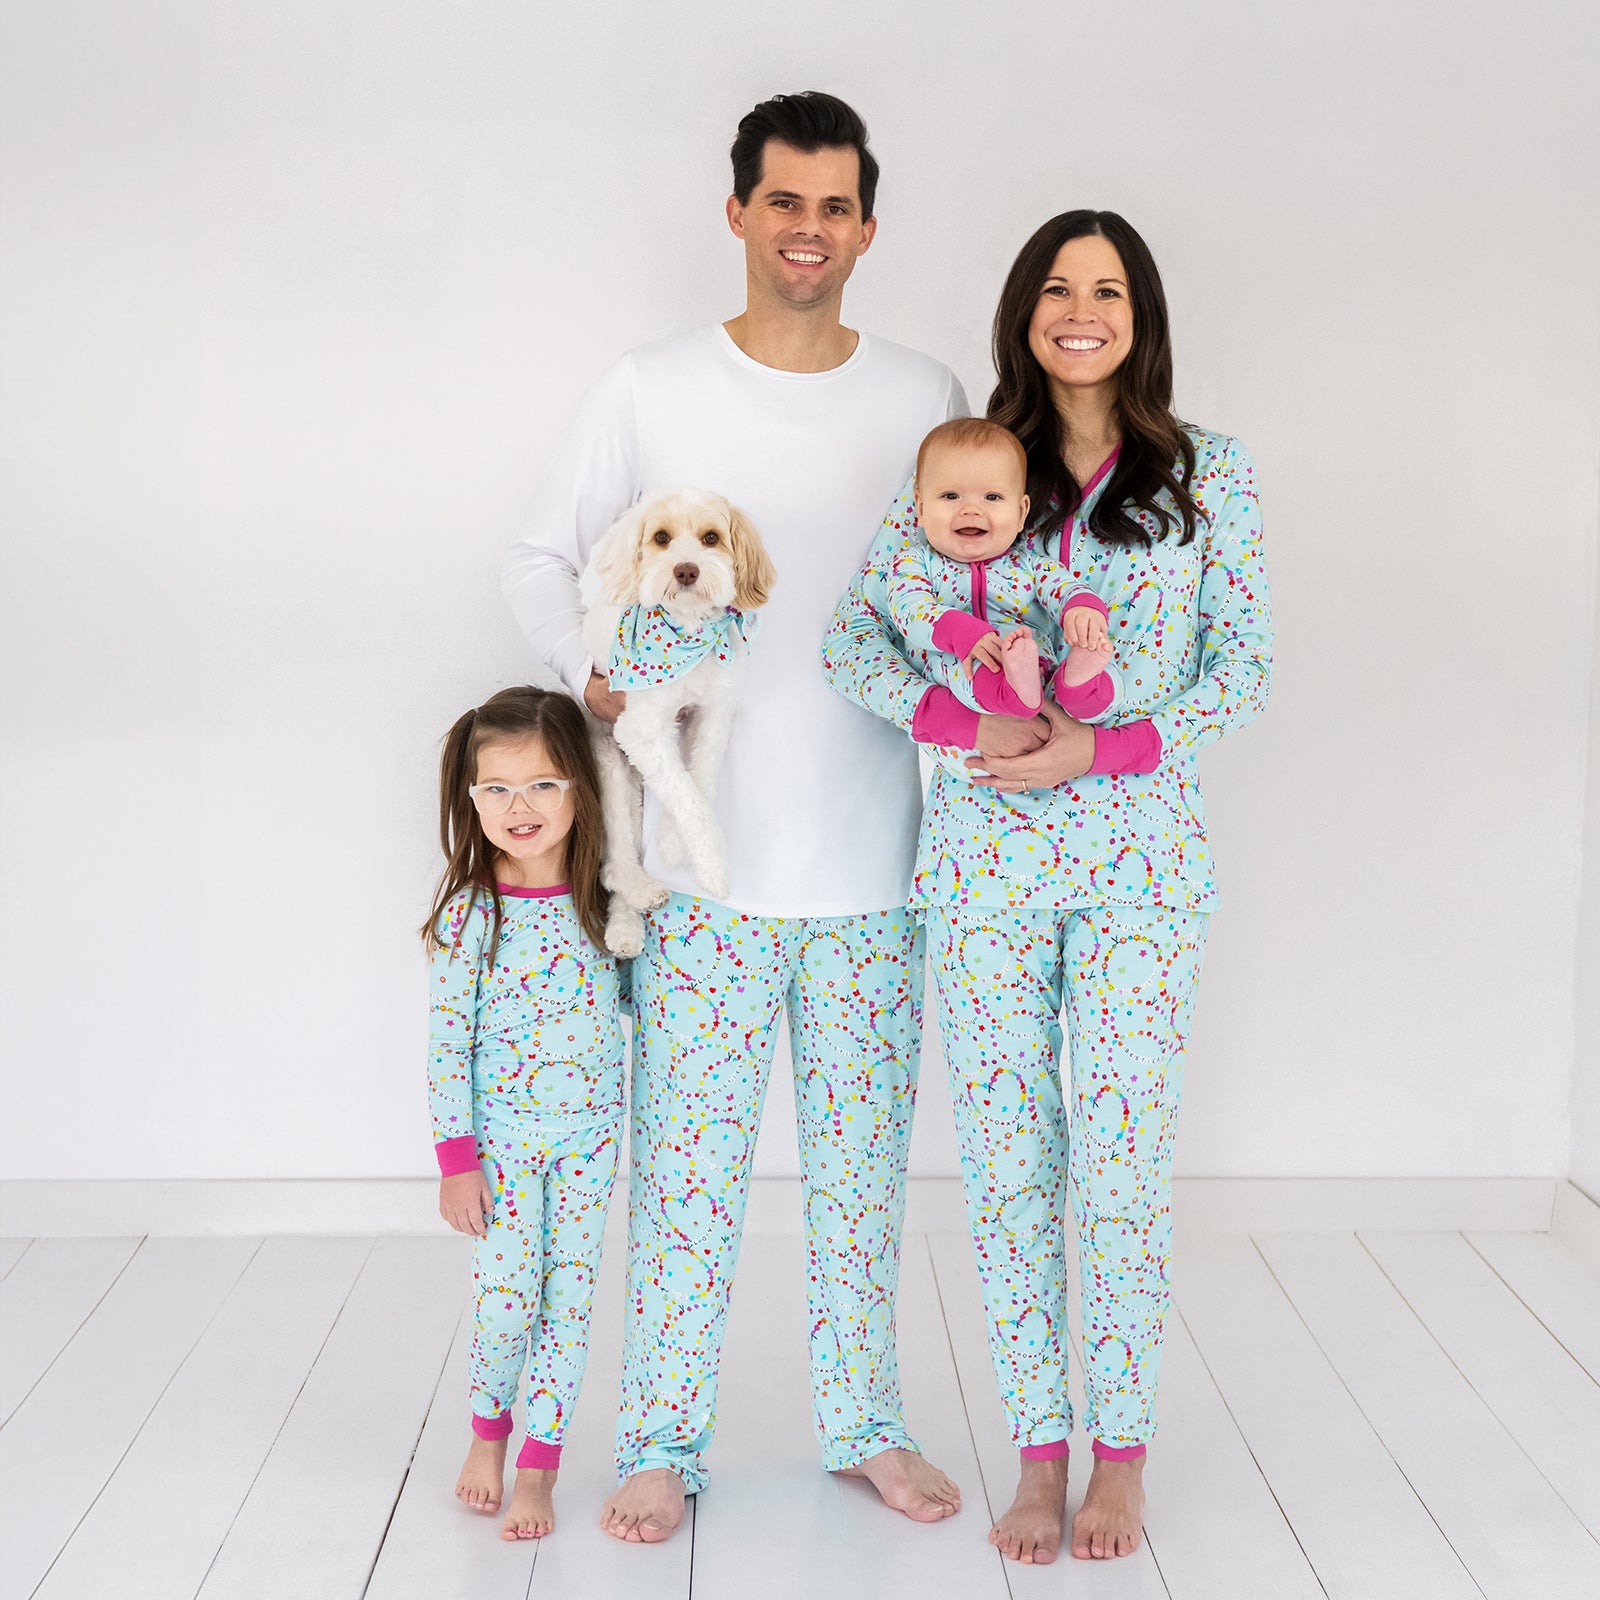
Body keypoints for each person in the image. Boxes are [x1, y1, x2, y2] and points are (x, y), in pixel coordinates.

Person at [501, 92, 967, 1543]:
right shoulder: (649, 386)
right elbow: (538, 557)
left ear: (868, 227)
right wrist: (605, 682)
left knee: (862, 1187)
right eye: (784, 201)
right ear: (739, 213)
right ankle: (658, 1441)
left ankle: (867, 1427)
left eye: (834, 206)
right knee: (687, 1185)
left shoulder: (924, 392)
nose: (808, 229)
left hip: (876, 863)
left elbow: (964, 582)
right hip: (697, 883)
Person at [822, 209, 1273, 1565]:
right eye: (1059, 288)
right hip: (986, 881)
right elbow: (855, 643)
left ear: (1143, 313)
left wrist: (1104, 745)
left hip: (1144, 876)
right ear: (1023, 309)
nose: (1084, 309)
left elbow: (1241, 667)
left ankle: (1119, 1457)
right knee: (1013, 1171)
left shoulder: (1209, 476)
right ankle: (1037, 1449)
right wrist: (963, 729)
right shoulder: (968, 471)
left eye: (1111, 288)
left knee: (1124, 1169)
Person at [424, 686, 623, 1541]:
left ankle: (540, 1467)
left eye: (543, 785)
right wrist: (457, 1159)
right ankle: (487, 1435)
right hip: (504, 1141)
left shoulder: (608, 905)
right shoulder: (475, 913)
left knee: (569, 1302)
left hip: (590, 1140)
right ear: (472, 800)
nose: (521, 807)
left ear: (581, 787)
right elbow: (445, 1048)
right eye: (498, 789)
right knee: (509, 1300)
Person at [885, 415, 1123, 777]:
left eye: (992, 497)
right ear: (919, 508)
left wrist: (1082, 610)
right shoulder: (915, 563)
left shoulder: (1026, 562)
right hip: (964, 682)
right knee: (959, 666)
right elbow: (910, 611)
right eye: (950, 496)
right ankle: (1013, 688)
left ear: (1021, 512)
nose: (971, 509)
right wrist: (964, 634)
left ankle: (1080, 684)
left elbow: (1062, 585)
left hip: (1034, 670)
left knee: (1109, 680)